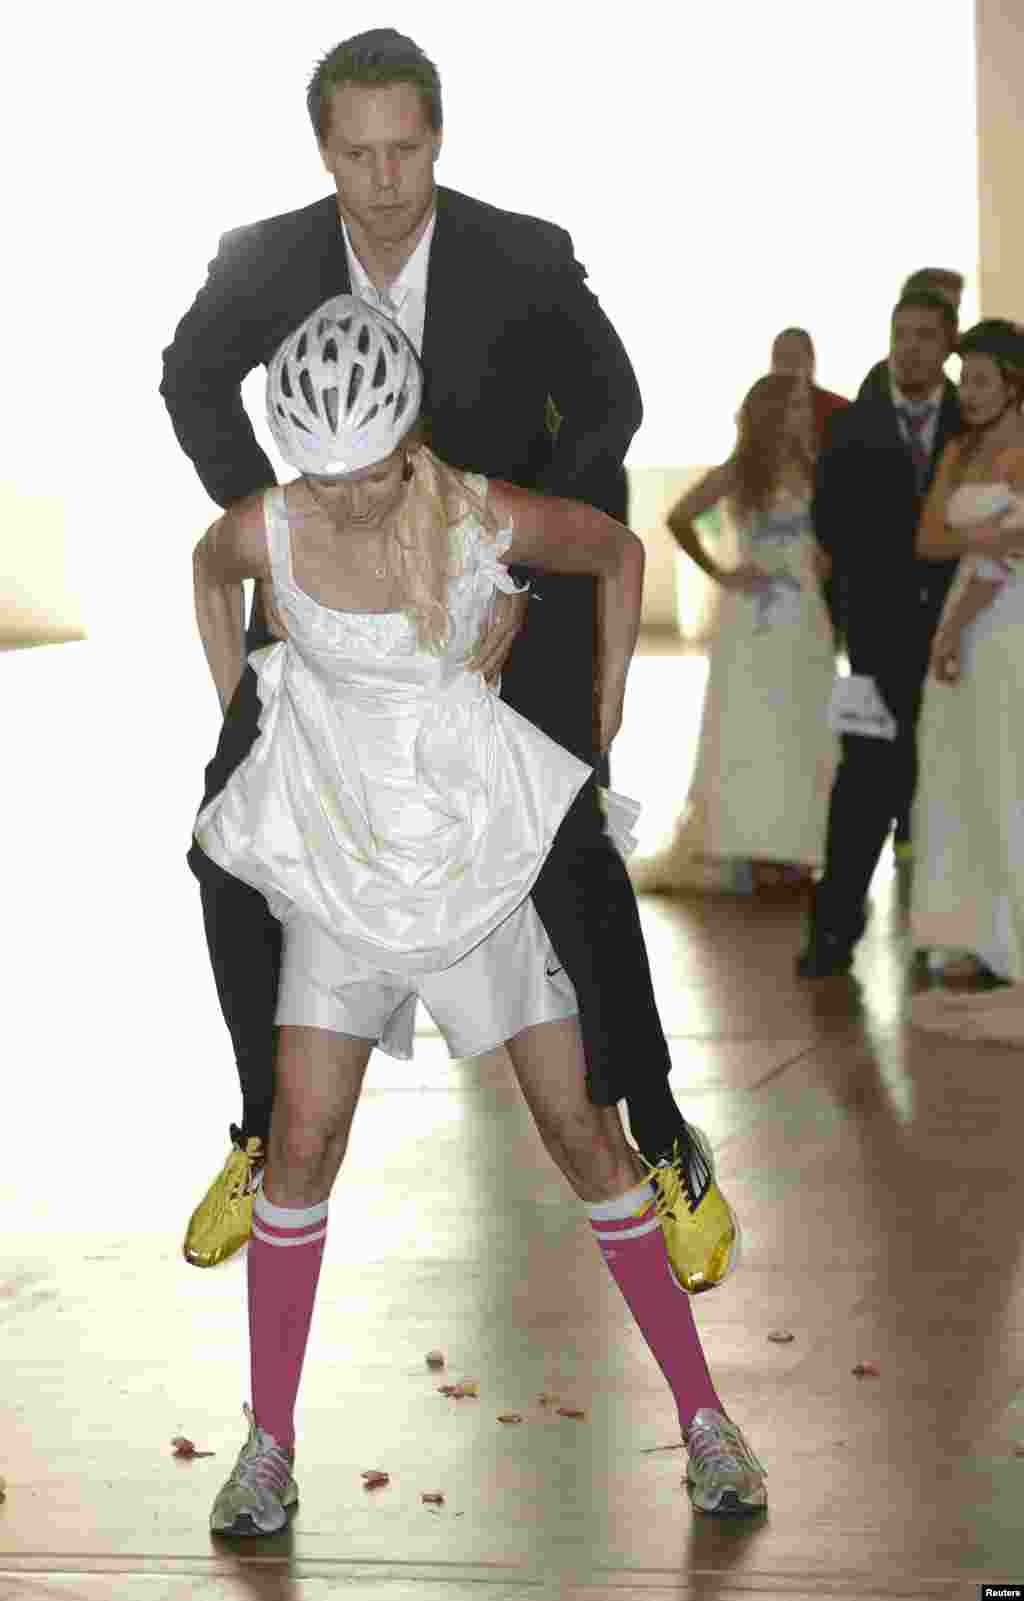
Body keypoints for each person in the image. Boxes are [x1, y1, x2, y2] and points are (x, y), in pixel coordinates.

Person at [191, 297, 766, 1536]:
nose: (338, 497)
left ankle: (708, 1417)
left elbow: (618, 550)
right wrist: (248, 709)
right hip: (344, 865)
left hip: (479, 857)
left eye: (363, 473)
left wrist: (601, 717)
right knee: (300, 1144)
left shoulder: (475, 515)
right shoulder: (268, 526)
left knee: (579, 1131)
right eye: (316, 472)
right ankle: (269, 1444)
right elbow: (206, 565)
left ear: (407, 442)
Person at [160, 27, 718, 1268]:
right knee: (221, 848)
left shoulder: (522, 252)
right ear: (322, 151)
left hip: (502, 584)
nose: (383, 181)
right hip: (328, 602)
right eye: (354, 154)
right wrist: (290, 516)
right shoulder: (263, 260)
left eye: (403, 149)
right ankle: (261, 1129)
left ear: (437, 138)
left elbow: (612, 405)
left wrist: (495, 565)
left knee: (568, 849)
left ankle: (667, 1134)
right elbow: (190, 378)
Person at [796, 289, 962, 977]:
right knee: (862, 782)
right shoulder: (852, 425)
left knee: (947, 781)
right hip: (873, 640)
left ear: (948, 344)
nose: (910, 346)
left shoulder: (974, 421)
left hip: (960, 638)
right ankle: (834, 927)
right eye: (901, 333)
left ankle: (947, 930)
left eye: (925, 335)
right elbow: (828, 527)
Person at [630, 374, 837, 896]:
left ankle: (796, 850)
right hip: (753, 621)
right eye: (791, 407)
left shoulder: (815, 469)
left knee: (802, 728)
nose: (801, 416)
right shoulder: (738, 472)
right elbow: (679, 517)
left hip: (807, 616)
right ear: (769, 413)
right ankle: (753, 847)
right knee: (750, 729)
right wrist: (722, 572)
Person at [909, 320, 1024, 1013]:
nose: (970, 392)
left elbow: (999, 556)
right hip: (965, 611)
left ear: (1013, 381)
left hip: (1005, 622)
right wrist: (986, 535)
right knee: (955, 768)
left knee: (1005, 765)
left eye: (983, 379)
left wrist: (950, 630)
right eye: (966, 379)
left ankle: (1010, 933)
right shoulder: (959, 447)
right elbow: (927, 540)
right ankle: (970, 931)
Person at [770, 327, 848, 446]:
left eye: (794, 358)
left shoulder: (840, 410)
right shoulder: (760, 412)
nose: (786, 367)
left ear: (811, 362)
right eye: (780, 358)